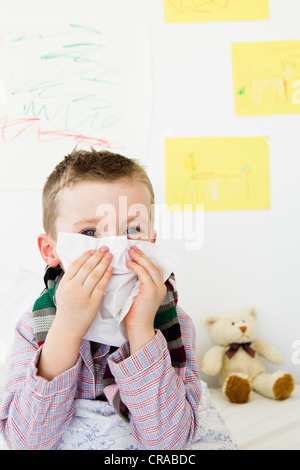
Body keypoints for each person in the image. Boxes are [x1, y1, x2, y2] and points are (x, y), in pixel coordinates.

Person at [0, 148, 203, 450]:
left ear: (152, 242)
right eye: (91, 231)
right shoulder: (33, 326)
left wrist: (141, 331)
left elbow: (169, 444)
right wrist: (67, 329)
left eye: (132, 230)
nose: (116, 249)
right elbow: (27, 442)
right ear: (50, 250)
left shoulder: (174, 322)